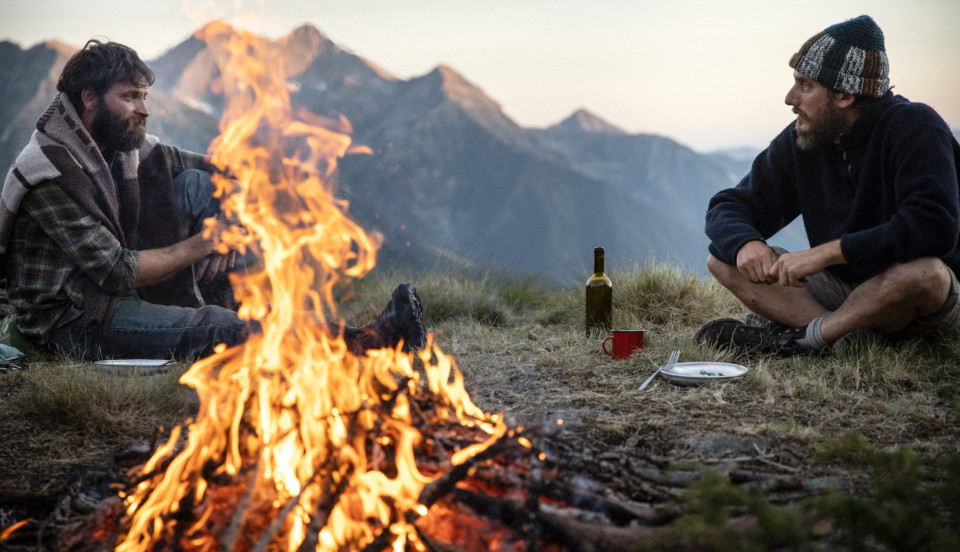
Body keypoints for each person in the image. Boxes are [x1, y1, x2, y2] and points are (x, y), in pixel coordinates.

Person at [0, 39, 426, 361]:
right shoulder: (52, 173)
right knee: (214, 329)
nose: (144, 110)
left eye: (144, 97)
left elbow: (214, 169)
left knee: (197, 186)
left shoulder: (114, 145)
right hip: (75, 318)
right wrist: (205, 243)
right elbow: (116, 271)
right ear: (89, 98)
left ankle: (242, 308)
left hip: (109, 287)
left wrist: (274, 185)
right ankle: (363, 343)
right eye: (130, 97)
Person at [695, 15, 960, 356]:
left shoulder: (916, 127)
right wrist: (746, 243)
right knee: (723, 258)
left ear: (845, 95)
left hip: (926, 298)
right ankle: (841, 341)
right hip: (847, 293)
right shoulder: (804, 141)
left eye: (805, 85)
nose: (791, 98)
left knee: (924, 272)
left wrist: (824, 254)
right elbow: (728, 206)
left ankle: (804, 339)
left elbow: (933, 227)